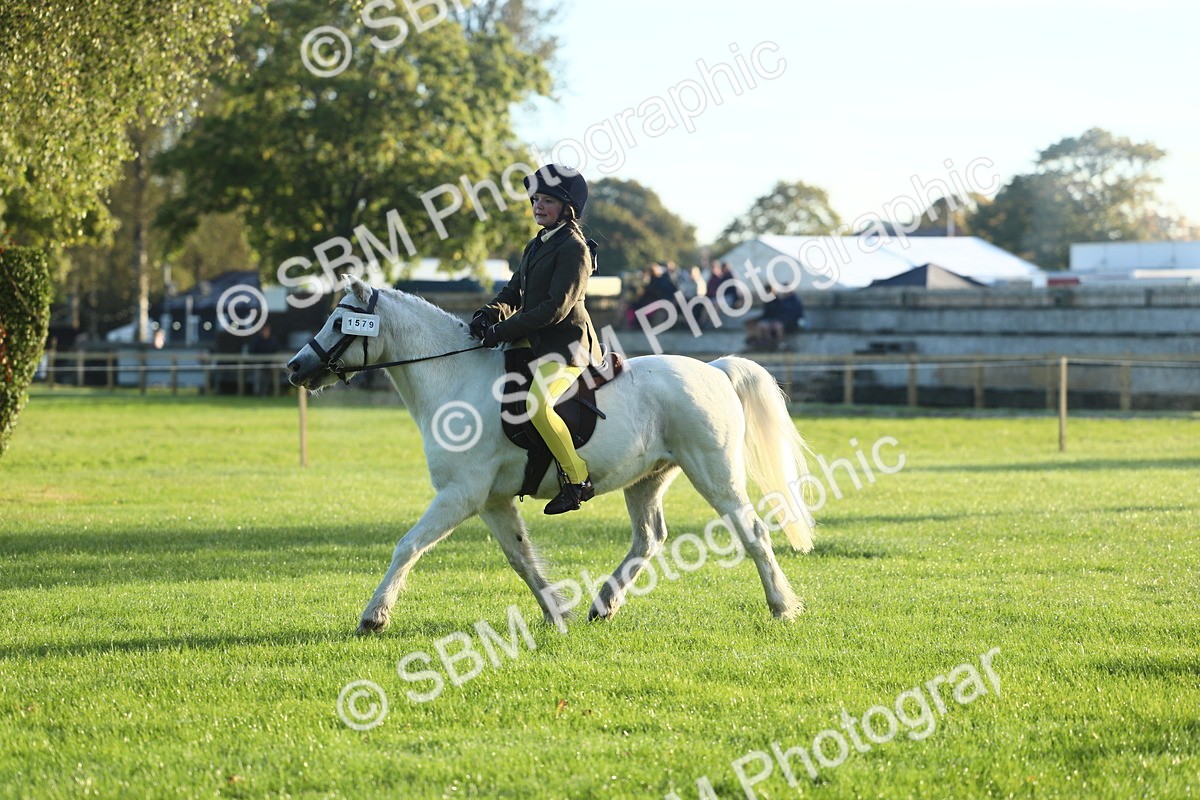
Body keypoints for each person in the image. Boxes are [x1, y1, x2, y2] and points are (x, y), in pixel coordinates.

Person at [469, 164, 603, 515]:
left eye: (548, 200)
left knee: (538, 405)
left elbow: (554, 309)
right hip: (533, 342)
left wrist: (502, 331)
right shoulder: (537, 244)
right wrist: (489, 314)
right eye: (535, 200)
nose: (538, 206)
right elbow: (514, 291)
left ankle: (576, 480)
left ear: (568, 208)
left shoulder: (575, 248)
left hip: (567, 346)